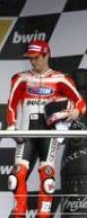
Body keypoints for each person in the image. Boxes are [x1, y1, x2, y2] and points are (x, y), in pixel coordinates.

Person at [6, 40, 86, 218]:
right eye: (30, 58)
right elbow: (11, 105)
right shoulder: (21, 78)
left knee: (47, 175)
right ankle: (19, 213)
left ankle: (44, 214)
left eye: (36, 58)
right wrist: (12, 127)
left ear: (46, 55)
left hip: (49, 133)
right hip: (26, 133)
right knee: (17, 175)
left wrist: (76, 110)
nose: (33, 62)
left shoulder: (60, 79)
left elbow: (80, 102)